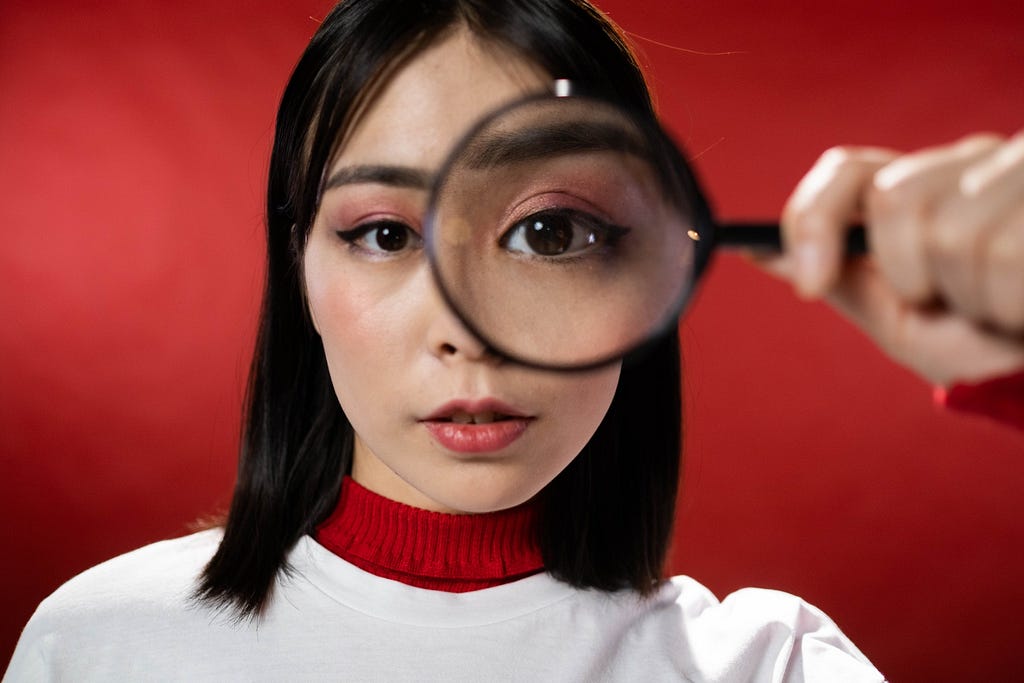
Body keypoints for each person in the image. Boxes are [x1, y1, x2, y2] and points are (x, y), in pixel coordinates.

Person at [4, 0, 1021, 681]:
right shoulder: (100, 646)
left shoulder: (768, 665)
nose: (464, 333)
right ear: (299, 274)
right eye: (384, 233)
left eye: (550, 231)